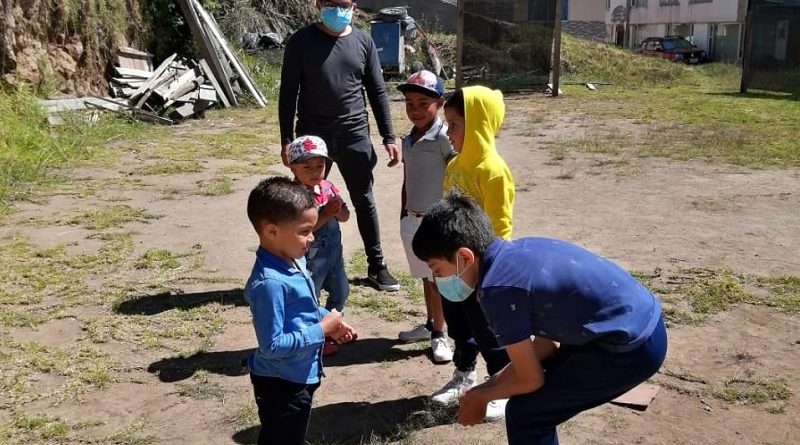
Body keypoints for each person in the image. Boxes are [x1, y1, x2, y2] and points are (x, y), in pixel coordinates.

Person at [412, 195, 668, 444]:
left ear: (464, 257)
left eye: (438, 270)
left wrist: (481, 397)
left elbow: (531, 378)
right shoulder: (515, 254)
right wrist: (487, 389)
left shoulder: (497, 291)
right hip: (643, 323)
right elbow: (546, 346)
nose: (437, 281)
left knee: (527, 415)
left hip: (630, 348)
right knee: (531, 405)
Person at [279, 0, 401, 292]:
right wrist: (286, 139)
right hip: (312, 135)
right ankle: (294, 263)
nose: (337, 9)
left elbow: (377, 91)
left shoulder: (363, 41)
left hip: (354, 134)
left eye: (343, 4)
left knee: (364, 200)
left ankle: (377, 266)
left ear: (354, 6)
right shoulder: (301, 41)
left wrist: (388, 135)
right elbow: (288, 91)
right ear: (319, 4)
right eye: (331, 3)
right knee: (302, 200)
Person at [244, 176, 357, 445]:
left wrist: (328, 320)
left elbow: (301, 306)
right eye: (304, 231)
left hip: (300, 372)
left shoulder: (292, 261)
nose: (312, 236)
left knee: (290, 433)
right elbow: (272, 345)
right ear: (272, 231)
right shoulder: (269, 283)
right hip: (281, 383)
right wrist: (321, 330)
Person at [429, 86, 516, 420]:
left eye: (454, 125)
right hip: (453, 268)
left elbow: (501, 227)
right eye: (447, 124)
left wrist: (488, 274)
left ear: (478, 123)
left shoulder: (493, 171)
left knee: (487, 328)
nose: (448, 132)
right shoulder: (454, 166)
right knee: (460, 324)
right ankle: (465, 374)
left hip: (480, 271)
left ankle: (504, 386)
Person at [395, 70, 455, 363]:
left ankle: (441, 334)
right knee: (423, 275)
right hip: (413, 219)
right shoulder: (407, 140)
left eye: (423, 103)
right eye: (409, 103)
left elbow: (455, 176)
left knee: (438, 279)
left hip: (437, 222)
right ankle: (431, 323)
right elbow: (408, 178)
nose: (415, 110)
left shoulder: (444, 137)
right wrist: (404, 212)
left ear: (439, 103)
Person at [287, 135, 351, 356]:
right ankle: (315, 336)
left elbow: (345, 216)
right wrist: (324, 214)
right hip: (310, 260)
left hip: (333, 256)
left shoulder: (328, 188)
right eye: (307, 167)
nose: (315, 172)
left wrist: (339, 210)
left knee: (341, 290)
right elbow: (300, 231)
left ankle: (335, 326)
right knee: (309, 298)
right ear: (293, 168)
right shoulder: (293, 196)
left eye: (320, 166)